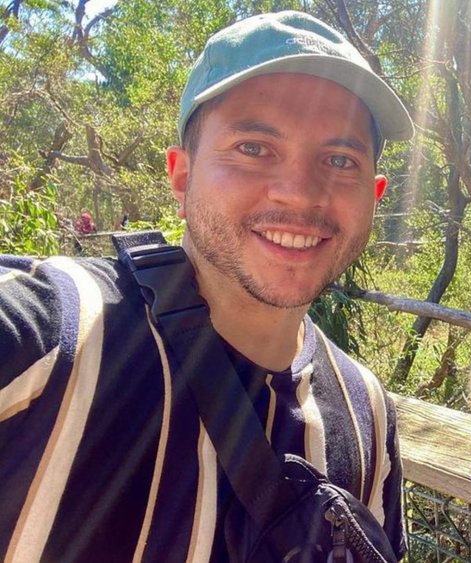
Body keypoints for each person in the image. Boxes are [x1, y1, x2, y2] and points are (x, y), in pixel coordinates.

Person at [0, 10, 413, 562]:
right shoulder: (51, 339)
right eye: (253, 148)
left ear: (375, 193)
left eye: (339, 160)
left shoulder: (369, 415)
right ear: (182, 175)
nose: (300, 193)